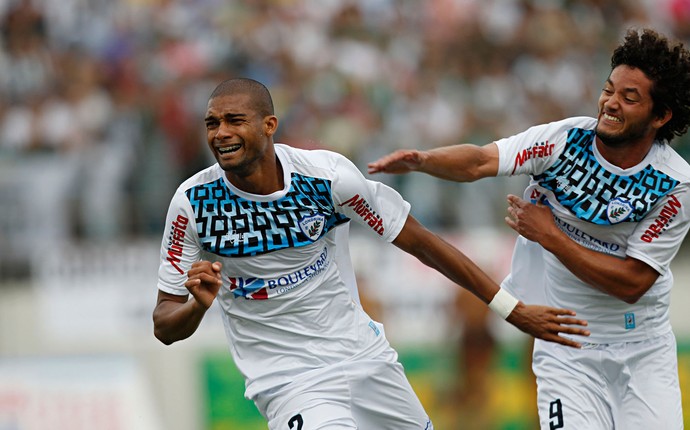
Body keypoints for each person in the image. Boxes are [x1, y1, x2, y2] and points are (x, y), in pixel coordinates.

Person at [152, 77, 590, 430]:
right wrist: (196, 306)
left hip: (364, 360)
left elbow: (421, 243)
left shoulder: (327, 179)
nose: (221, 133)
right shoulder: (193, 204)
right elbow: (164, 325)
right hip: (290, 382)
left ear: (269, 125)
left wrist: (510, 309)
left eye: (234, 120)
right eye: (212, 123)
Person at [368, 27, 690, 429]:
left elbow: (631, 283)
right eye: (609, 90)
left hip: (643, 352)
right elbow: (481, 161)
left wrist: (550, 235)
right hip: (567, 347)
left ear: (661, 116)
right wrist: (424, 161)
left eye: (630, 98)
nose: (610, 104)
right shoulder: (564, 140)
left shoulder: (675, 184)